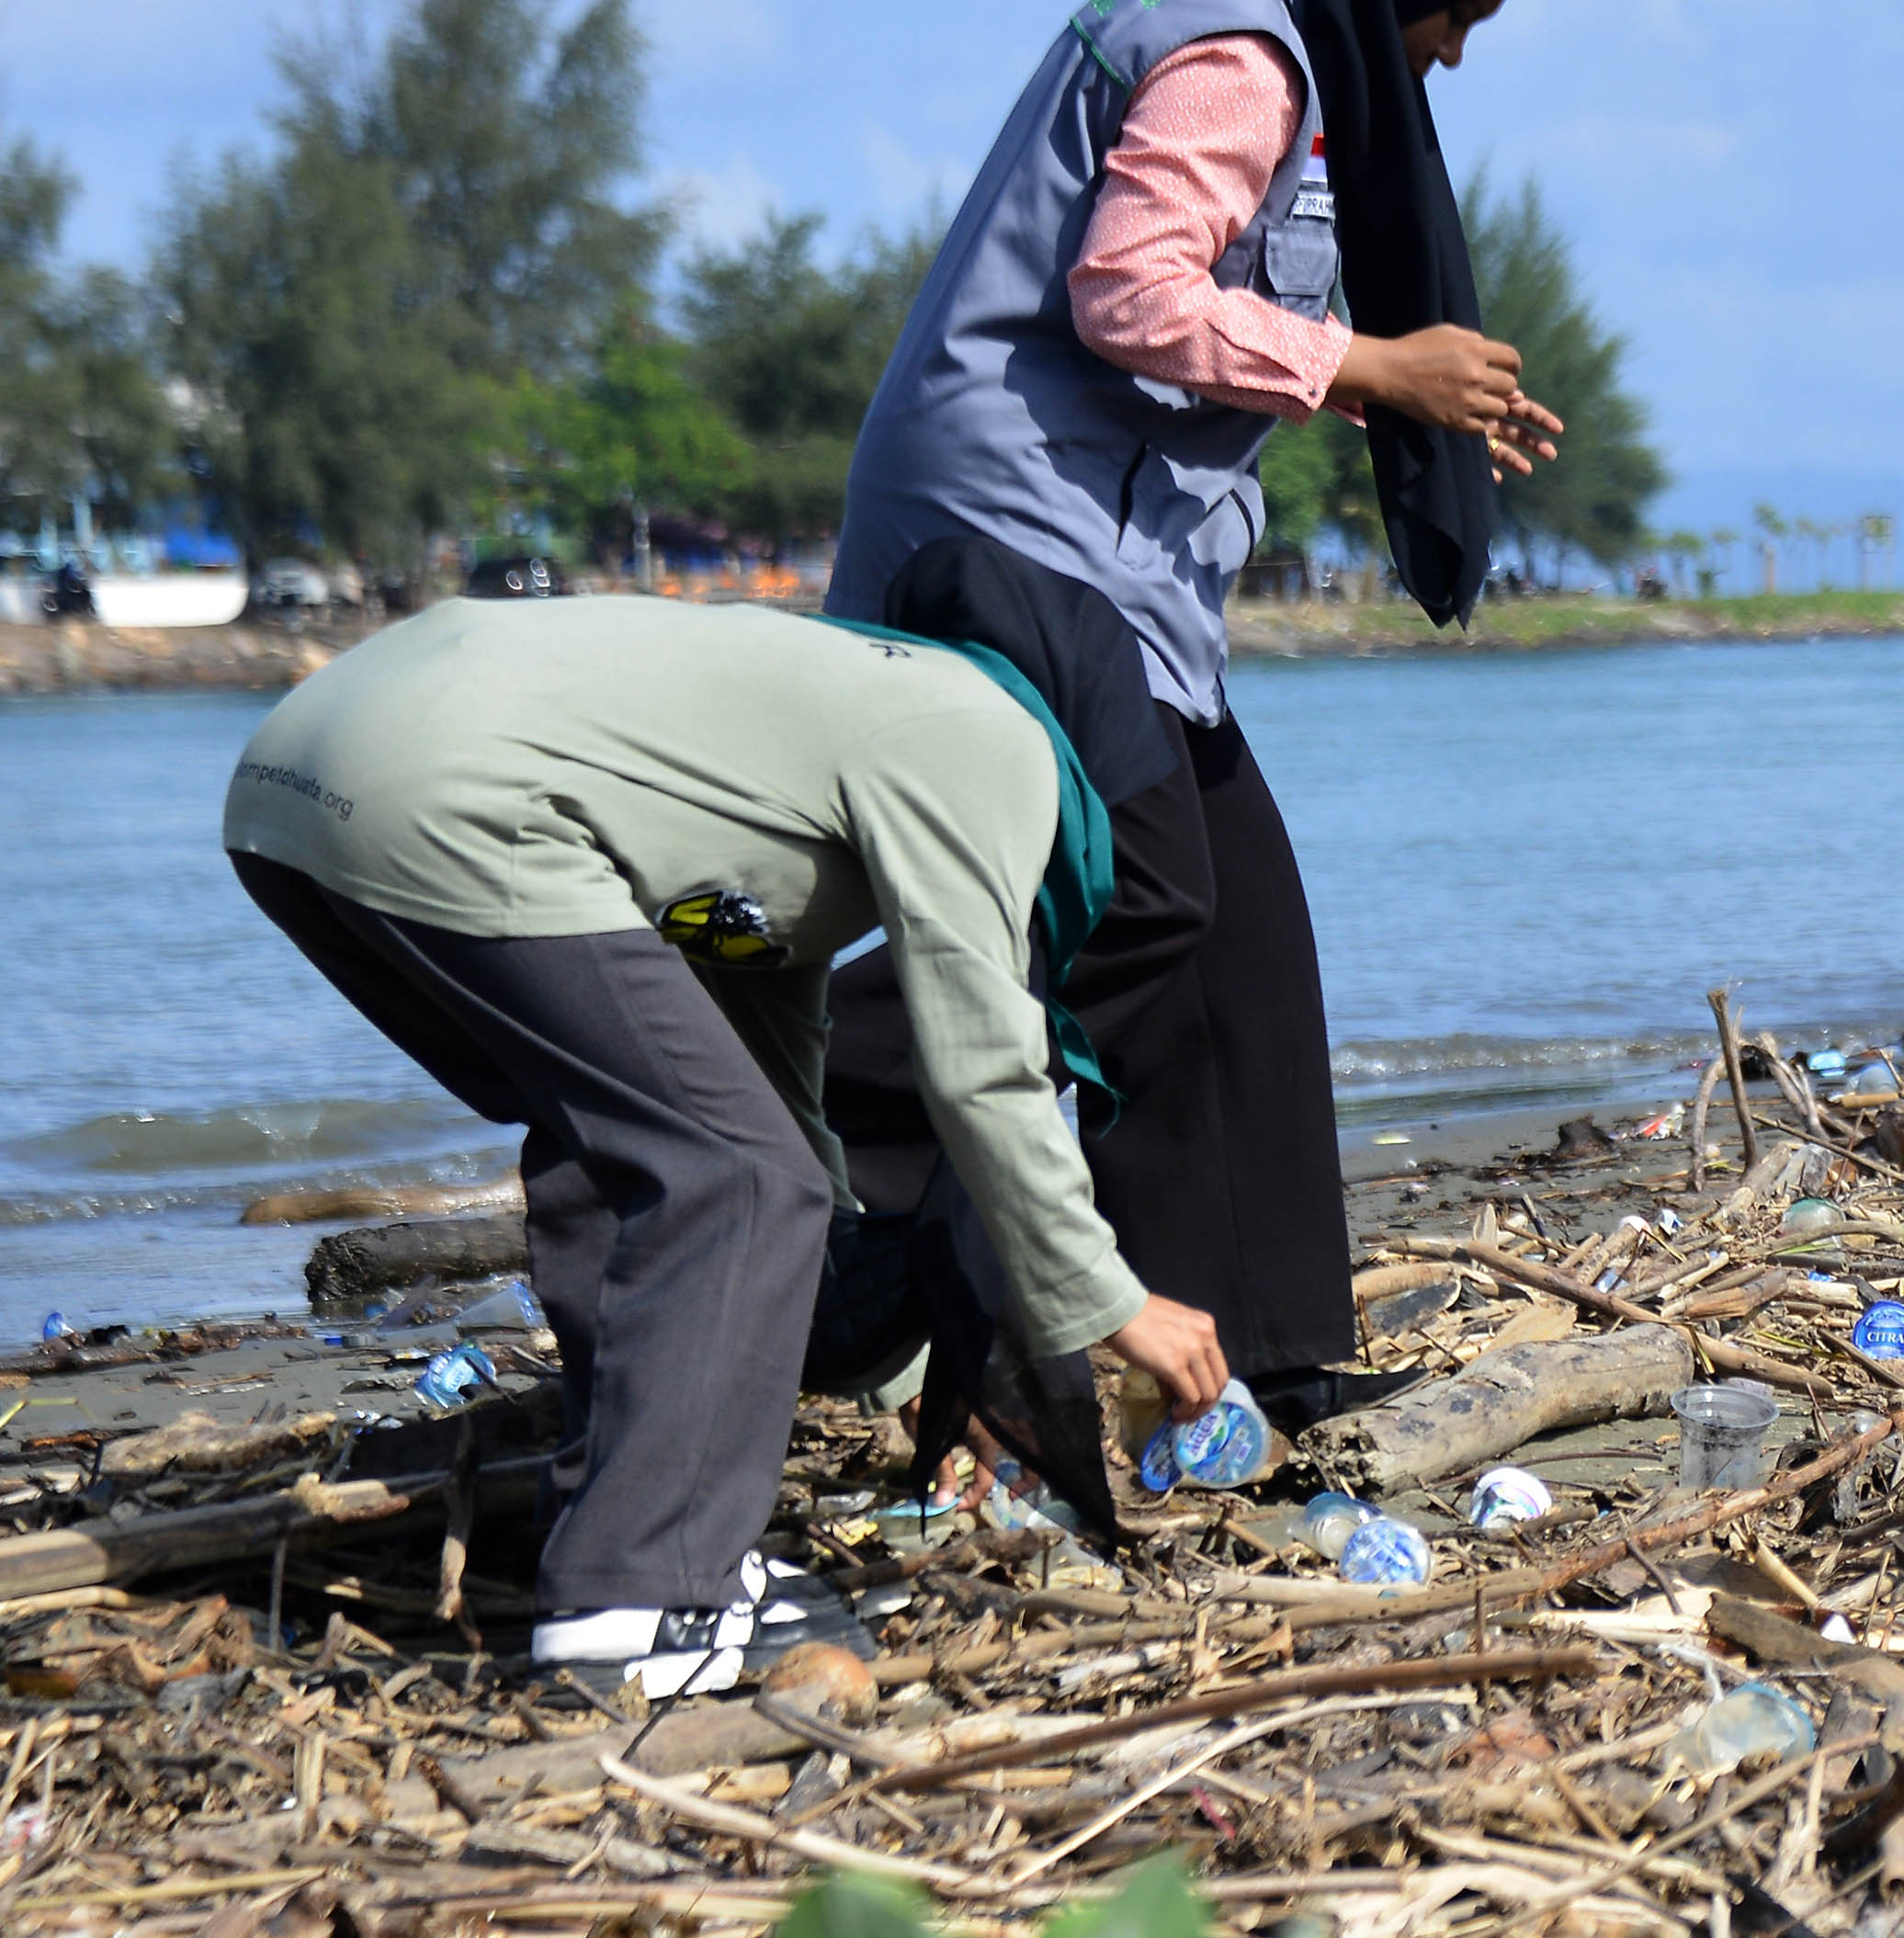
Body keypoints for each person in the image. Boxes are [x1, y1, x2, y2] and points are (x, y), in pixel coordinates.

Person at [822, 0, 1558, 1432]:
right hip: (1017, 536)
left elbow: (1201, 305)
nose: (1449, 55)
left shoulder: (1231, 1)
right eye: (1457, 15)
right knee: (1137, 906)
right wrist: (1365, 352)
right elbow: (1128, 296)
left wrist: (1377, 389)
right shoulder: (1234, 50)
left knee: (1244, 933)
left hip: (1104, 556)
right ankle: (793, 1107)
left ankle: (1264, 1360)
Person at [224, 593, 1229, 1699]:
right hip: (447, 788)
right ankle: (637, 1599)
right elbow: (982, 1068)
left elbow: (768, 1088)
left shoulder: (800, 753)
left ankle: (615, 1526)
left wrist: (895, 1372)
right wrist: (1108, 1304)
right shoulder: (990, 739)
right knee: (730, 1177)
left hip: (289, 786)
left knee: (629, 1149)